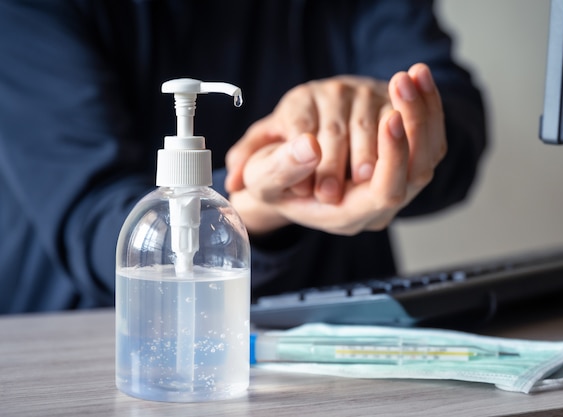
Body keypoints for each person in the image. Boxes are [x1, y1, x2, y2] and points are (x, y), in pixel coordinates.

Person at [0, 1, 487, 314]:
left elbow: (457, 127)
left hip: (340, 339)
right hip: (81, 342)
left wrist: (391, 119)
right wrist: (251, 198)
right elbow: (93, 216)